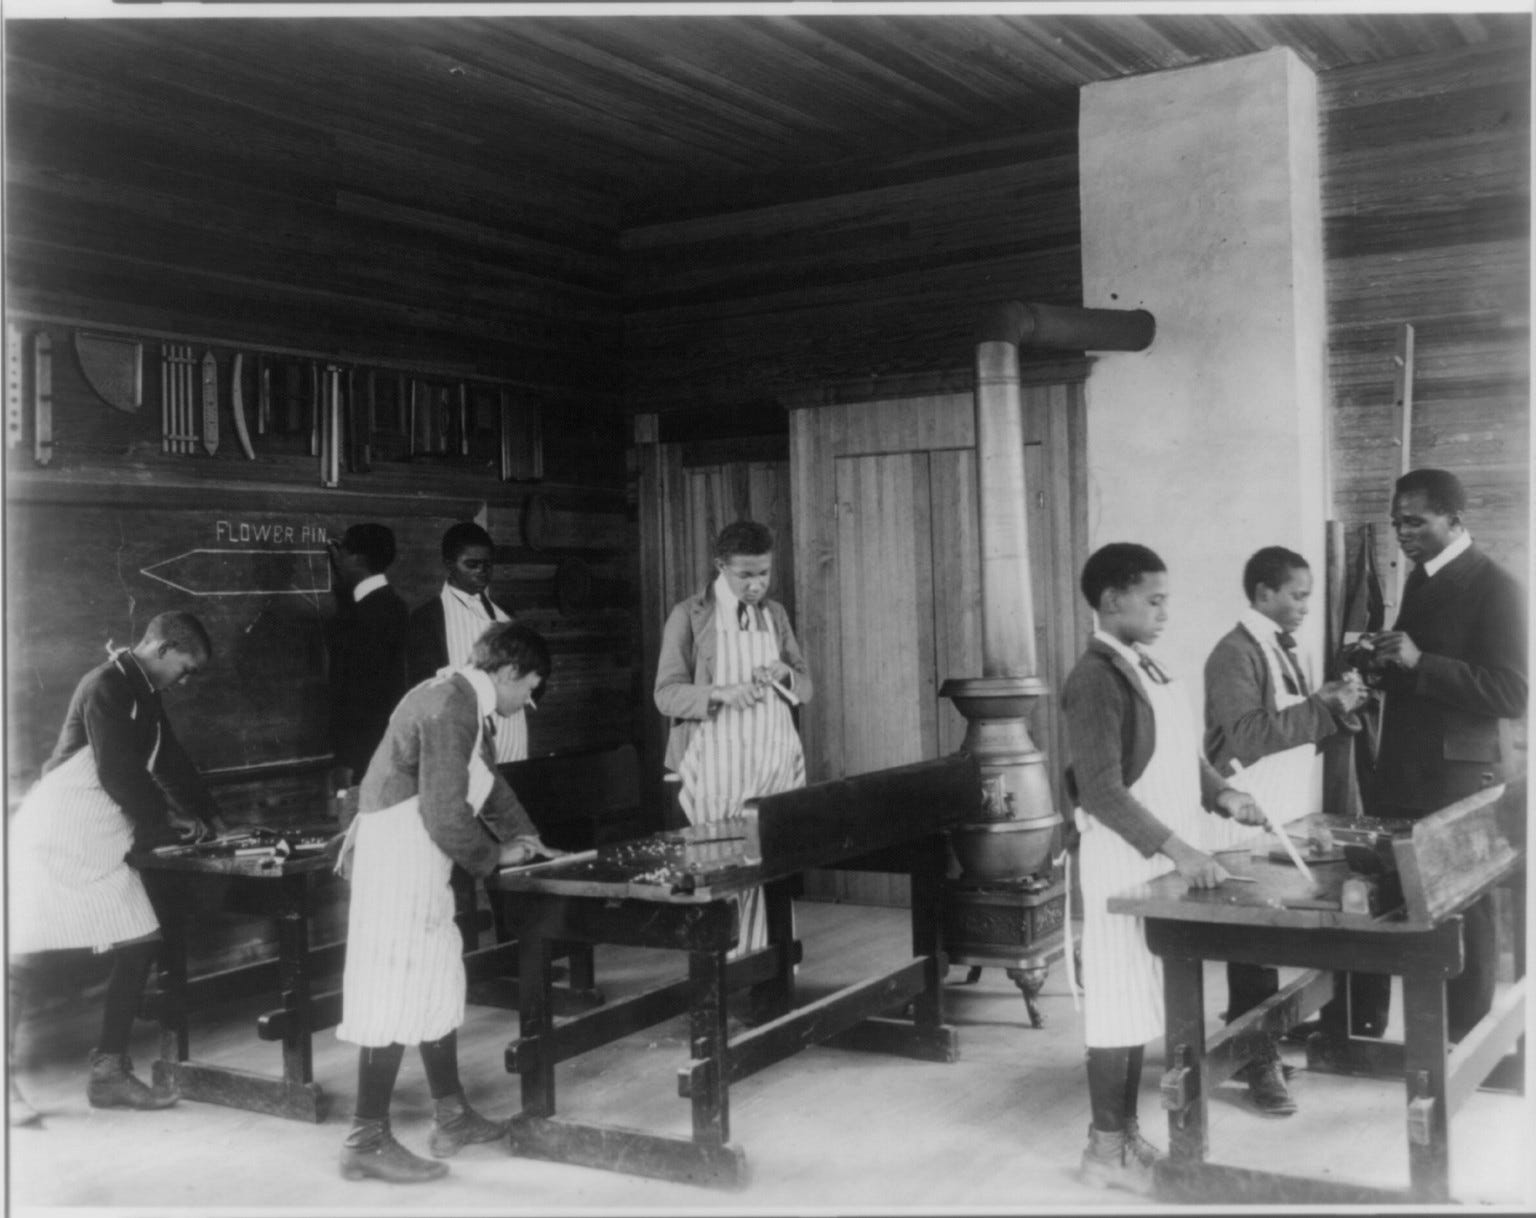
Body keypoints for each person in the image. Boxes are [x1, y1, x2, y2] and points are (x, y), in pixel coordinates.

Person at [1061, 543, 1264, 1194]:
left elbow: (1179, 755)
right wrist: (1180, 849)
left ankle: (1121, 1141)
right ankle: (1104, 1150)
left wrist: (1222, 793)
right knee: (1117, 1008)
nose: (1164, 611)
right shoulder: (1094, 677)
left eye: (1166, 600)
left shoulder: (1143, 663)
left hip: (1158, 857)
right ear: (1112, 601)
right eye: (1154, 600)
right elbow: (1100, 790)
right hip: (1124, 860)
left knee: (1141, 1002)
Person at [1310, 469, 1526, 1062]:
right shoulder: (1425, 579)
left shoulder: (1497, 586)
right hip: (1404, 771)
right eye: (1396, 522)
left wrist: (1419, 659)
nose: (1402, 533)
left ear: (1455, 520)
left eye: (1415, 521)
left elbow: (1515, 692)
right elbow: (1420, 672)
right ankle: (1367, 1030)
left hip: (1458, 779)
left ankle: (1470, 1044)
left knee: (1464, 906)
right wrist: (1378, 665)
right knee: (1390, 897)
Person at [334, 621, 559, 1184]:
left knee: (435, 979)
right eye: (529, 686)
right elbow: (442, 811)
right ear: (507, 672)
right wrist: (494, 858)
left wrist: (531, 843)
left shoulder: (461, 697)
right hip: (398, 855)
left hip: (416, 851)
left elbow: (486, 786)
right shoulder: (450, 704)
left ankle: (453, 1115)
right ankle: (366, 1139)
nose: (529, 700)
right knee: (392, 989)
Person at [7, 611, 227, 1121]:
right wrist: (170, 818)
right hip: (57, 833)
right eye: (186, 668)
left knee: (141, 939)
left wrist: (212, 815)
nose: (186, 680)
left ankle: (108, 1074)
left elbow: (168, 758)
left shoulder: (144, 693)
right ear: (165, 648)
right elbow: (115, 771)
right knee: (22, 957)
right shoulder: (106, 684)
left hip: (100, 837)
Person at [1202, 546, 1369, 1115]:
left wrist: (1336, 704)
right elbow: (1248, 735)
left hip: (1281, 810)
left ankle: (1256, 1037)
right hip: (1245, 814)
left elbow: (1291, 721)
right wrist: (1321, 710)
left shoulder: (1274, 647)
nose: (1304, 606)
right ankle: (1254, 1059)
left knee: (1270, 936)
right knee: (1253, 940)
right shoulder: (1233, 653)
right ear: (1264, 593)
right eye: (1297, 595)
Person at [654, 520, 811, 961]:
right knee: (722, 868)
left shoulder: (775, 615)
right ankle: (726, 971)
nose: (757, 584)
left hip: (771, 763)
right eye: (745, 574)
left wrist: (786, 674)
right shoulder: (690, 615)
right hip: (715, 767)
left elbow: (807, 687)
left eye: (764, 573)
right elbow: (665, 695)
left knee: (770, 865)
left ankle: (774, 967)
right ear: (720, 566)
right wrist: (719, 693)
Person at [406, 521, 529, 953]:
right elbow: (427, 692)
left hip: (510, 744)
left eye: (487, 566)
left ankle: (516, 947)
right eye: (471, 564)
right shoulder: (426, 621)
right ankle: (471, 957)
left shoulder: (504, 618)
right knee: (463, 850)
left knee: (510, 847)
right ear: (448, 566)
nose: (481, 573)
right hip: (460, 752)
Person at [327, 523, 410, 788]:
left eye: (343, 551)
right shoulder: (392, 605)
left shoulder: (366, 616)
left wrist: (350, 760)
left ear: (357, 559)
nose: (337, 557)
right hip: (386, 751)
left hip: (365, 759)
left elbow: (363, 696)